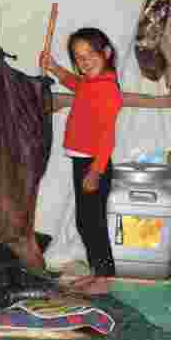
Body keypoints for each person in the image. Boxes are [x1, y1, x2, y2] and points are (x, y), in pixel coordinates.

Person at [39, 27, 123, 277]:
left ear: (106, 52)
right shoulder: (91, 82)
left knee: (91, 224)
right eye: (78, 57)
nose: (84, 61)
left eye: (90, 54)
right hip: (83, 162)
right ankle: (100, 273)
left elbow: (107, 136)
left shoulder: (107, 89)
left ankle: (105, 275)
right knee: (86, 223)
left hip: (94, 165)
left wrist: (96, 173)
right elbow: (75, 83)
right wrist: (54, 67)